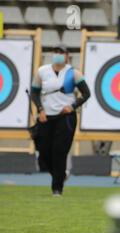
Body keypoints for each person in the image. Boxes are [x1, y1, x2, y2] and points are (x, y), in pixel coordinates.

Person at [30, 44, 90, 196]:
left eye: (61, 52)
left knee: (59, 151)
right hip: (46, 117)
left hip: (65, 117)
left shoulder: (73, 73)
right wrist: (40, 109)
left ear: (67, 56)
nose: (58, 55)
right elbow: (35, 93)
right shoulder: (42, 71)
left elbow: (86, 93)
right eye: (56, 52)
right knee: (43, 152)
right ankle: (61, 175)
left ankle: (57, 188)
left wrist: (73, 106)